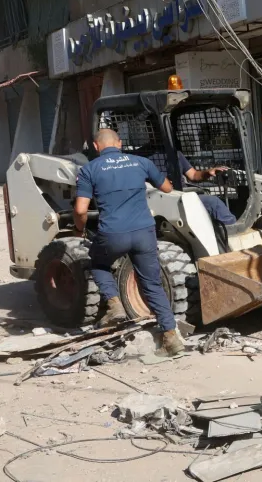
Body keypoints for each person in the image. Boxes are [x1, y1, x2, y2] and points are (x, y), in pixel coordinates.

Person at [73, 129, 185, 355]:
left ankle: (114, 305)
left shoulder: (89, 169)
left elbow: (80, 209)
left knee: (98, 263)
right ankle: (171, 338)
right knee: (152, 284)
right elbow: (167, 188)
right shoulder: (141, 162)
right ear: (120, 143)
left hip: (112, 234)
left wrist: (79, 228)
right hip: (144, 232)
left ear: (96, 146)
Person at [150, 151, 237, 225]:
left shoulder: (175, 153)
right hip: (161, 197)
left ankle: (227, 230)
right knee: (213, 202)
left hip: (182, 194)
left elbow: (193, 175)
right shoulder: (143, 157)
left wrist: (208, 172)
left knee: (212, 203)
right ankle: (230, 232)